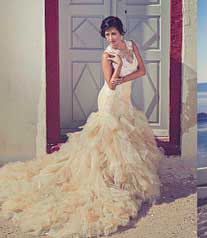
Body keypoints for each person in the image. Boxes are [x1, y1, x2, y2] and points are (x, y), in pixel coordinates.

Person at [0, 16, 163, 237]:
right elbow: (111, 84)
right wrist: (118, 66)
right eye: (106, 35)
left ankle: (123, 180)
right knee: (109, 140)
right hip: (110, 100)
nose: (110, 38)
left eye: (113, 33)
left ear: (121, 33)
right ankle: (107, 179)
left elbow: (142, 71)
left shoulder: (132, 46)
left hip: (126, 99)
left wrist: (126, 71)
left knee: (127, 138)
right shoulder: (107, 55)